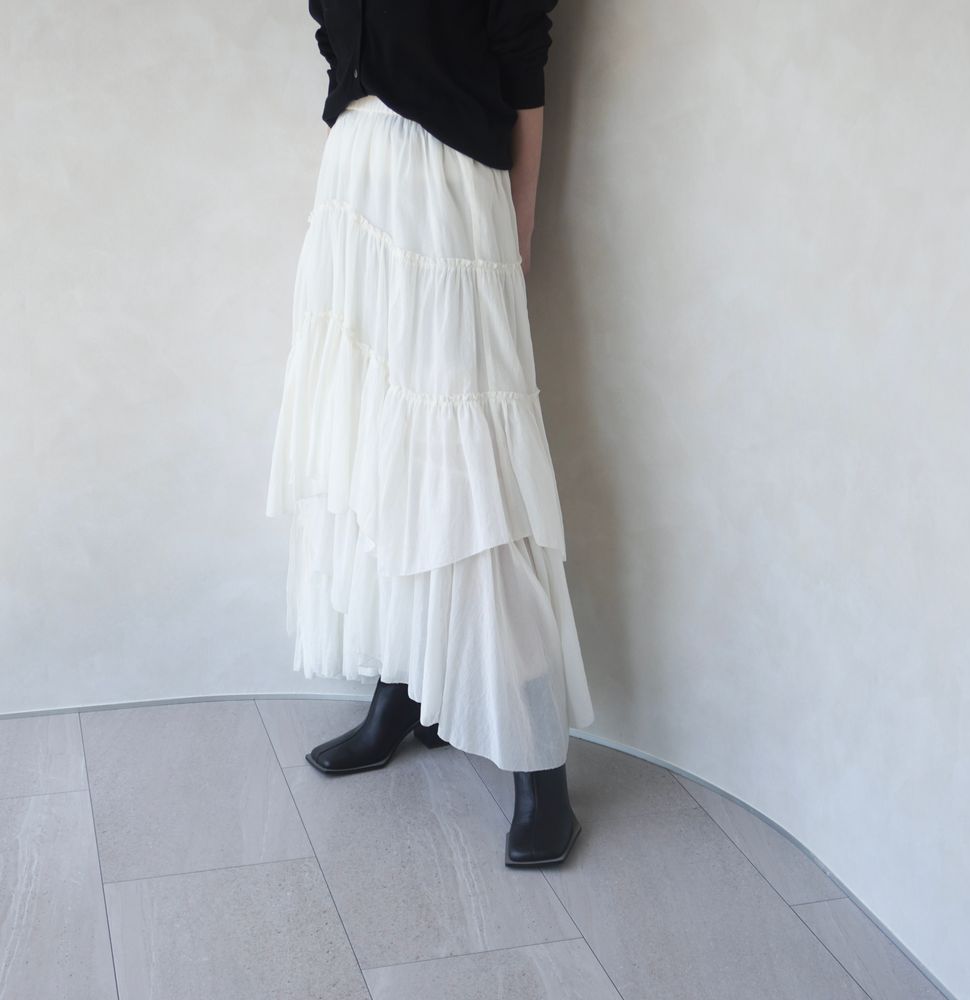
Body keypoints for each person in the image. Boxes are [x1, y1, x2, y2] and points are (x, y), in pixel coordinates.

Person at [265, 0, 595, 866]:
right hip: (354, 188)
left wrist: (522, 212)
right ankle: (402, 690)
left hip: (449, 188)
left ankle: (541, 768)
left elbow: (523, 55)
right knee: (372, 449)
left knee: (473, 469)